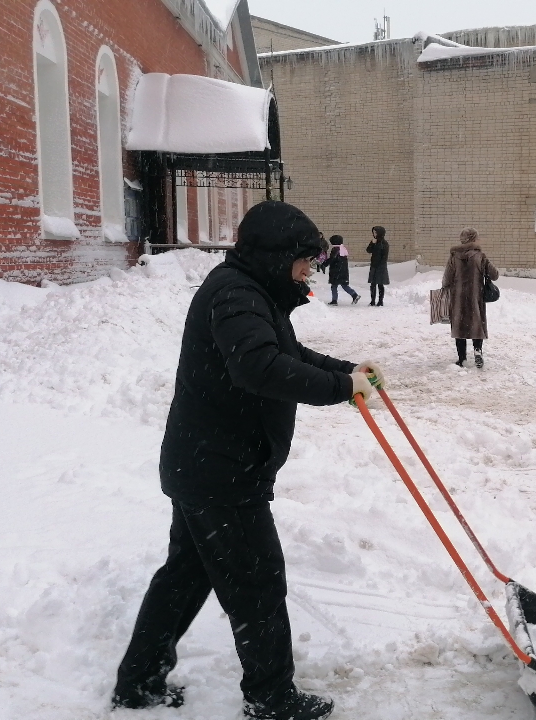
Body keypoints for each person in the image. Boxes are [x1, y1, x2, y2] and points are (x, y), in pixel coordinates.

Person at [112, 201, 384, 720]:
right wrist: (338, 388)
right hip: (221, 474)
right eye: (304, 259)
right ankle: (272, 699)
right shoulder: (237, 294)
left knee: (185, 577)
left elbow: (289, 352)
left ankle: (138, 684)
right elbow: (260, 368)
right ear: (278, 253)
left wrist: (349, 373)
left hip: (207, 466)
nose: (309, 270)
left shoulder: (251, 291)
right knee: (257, 583)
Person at [443, 227, 498, 368]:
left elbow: (446, 279)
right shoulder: (480, 256)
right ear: (474, 239)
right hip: (475, 297)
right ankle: (478, 352)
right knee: (476, 324)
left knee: (459, 326)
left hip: (458, 299)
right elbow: (495, 275)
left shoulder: (454, 256)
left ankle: (462, 359)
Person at [322, 234, 359, 305]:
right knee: (344, 285)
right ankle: (354, 295)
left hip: (336, 271)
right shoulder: (343, 249)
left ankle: (334, 300)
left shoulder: (335, 249)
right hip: (343, 271)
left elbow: (332, 259)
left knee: (334, 285)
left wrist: (325, 263)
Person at [366, 226, 390, 307]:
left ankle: (380, 301)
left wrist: (380, 264)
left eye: (376, 232)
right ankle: (372, 301)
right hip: (373, 265)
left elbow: (385, 256)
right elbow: (368, 250)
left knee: (380, 284)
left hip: (381, 266)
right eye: (373, 232)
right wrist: (372, 243)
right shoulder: (374, 242)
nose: (374, 234)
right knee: (373, 284)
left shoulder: (384, 243)